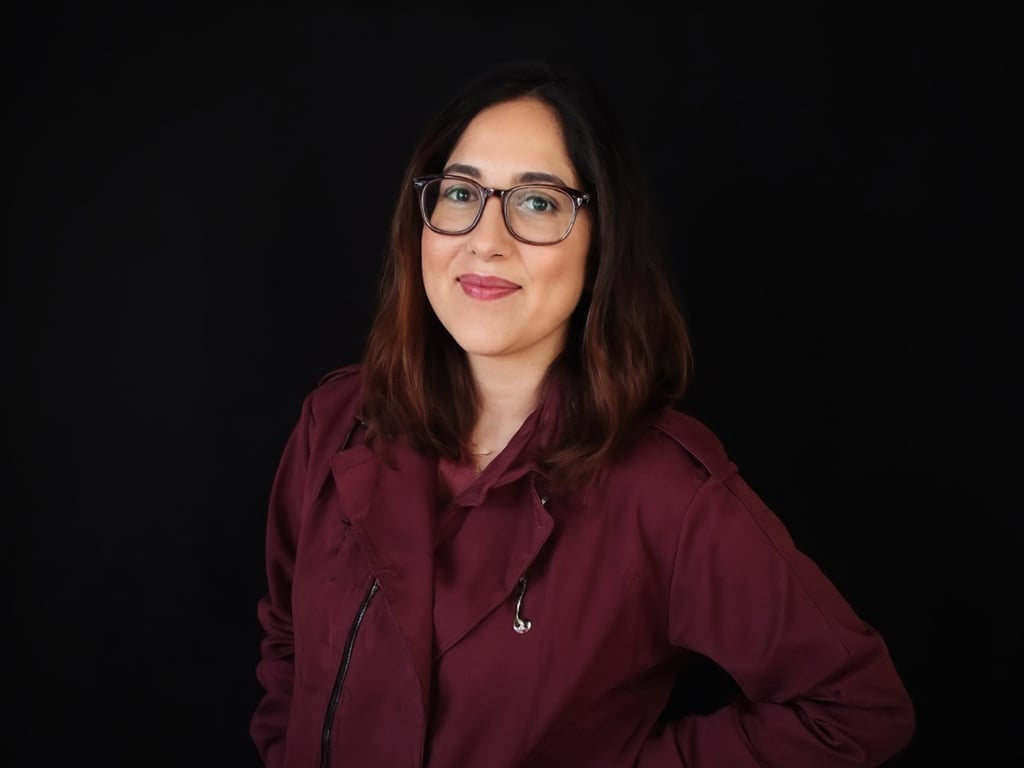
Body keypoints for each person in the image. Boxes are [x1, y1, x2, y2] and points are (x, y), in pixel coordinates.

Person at [250, 58, 915, 767]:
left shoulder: (667, 494)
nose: (485, 239)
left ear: (602, 241)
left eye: (537, 203)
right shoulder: (336, 420)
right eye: (461, 193)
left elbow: (854, 710)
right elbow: (287, 645)